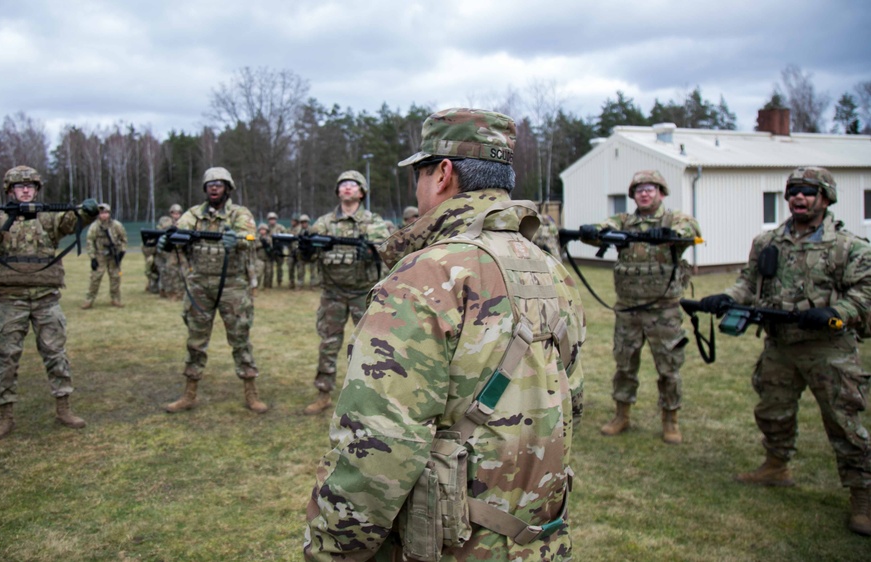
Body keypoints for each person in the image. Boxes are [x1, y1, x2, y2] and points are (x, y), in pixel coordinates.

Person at [304, 108, 586, 560]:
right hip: (537, 541)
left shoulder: (428, 274)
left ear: (442, 174)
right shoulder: (549, 268)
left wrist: (331, 549)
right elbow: (572, 402)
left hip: (453, 545)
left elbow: (378, 444)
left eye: (419, 172)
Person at [697, 166, 871, 537]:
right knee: (772, 409)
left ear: (825, 198)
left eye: (808, 191)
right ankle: (776, 466)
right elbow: (749, 283)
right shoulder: (768, 243)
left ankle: (863, 496)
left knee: (844, 422)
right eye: (793, 191)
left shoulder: (848, 247)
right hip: (780, 344)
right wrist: (728, 298)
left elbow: (865, 294)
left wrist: (836, 312)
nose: (799, 197)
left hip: (829, 350)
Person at [0, 165, 98, 441]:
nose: (26, 190)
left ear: (37, 189)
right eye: (19, 186)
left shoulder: (48, 218)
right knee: (7, 357)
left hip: (46, 299)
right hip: (11, 300)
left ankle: (63, 408)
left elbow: (71, 223)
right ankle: (5, 416)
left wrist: (87, 211)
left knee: (55, 353)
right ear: (9, 190)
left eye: (30, 186)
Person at [581, 169, 701, 444]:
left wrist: (669, 233)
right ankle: (621, 414)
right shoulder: (624, 221)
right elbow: (601, 229)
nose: (644, 193)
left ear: (661, 193)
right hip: (628, 309)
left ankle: (670, 418)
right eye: (639, 189)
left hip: (664, 310)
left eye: (650, 188)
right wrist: (593, 231)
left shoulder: (674, 219)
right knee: (624, 364)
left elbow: (691, 230)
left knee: (668, 367)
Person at [160, 167, 268, 414]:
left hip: (232, 285)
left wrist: (239, 240)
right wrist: (169, 240)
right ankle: (189, 393)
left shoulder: (239, 214)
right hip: (199, 286)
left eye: (219, 183)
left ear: (228, 188)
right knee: (195, 340)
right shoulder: (193, 215)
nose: (214, 187)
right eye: (210, 184)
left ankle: (251, 392)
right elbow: (180, 232)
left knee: (240, 338)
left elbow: (252, 237)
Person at [301, 170, 391, 415]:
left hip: (363, 294)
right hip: (332, 294)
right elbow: (308, 255)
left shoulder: (374, 222)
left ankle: (367, 395)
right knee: (329, 344)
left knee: (369, 345)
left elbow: (387, 251)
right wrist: (306, 248)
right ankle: (323, 393)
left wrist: (371, 253)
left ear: (361, 192)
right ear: (338, 192)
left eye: (353, 184)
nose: (348, 188)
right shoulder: (324, 223)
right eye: (343, 184)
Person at [81, 203, 127, 309]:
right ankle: (89, 300)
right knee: (95, 278)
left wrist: (121, 253)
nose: (104, 215)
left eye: (106, 213)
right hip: (100, 256)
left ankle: (115, 299)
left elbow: (123, 239)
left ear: (109, 213)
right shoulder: (94, 227)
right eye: (102, 213)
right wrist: (93, 258)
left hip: (114, 256)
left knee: (115, 277)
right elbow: (90, 242)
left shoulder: (116, 225)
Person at [156, 204, 184, 300]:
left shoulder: (185, 223)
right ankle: (168, 292)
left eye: (178, 213)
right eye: (174, 213)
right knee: (169, 272)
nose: (176, 215)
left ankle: (181, 292)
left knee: (183, 272)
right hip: (169, 252)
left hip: (181, 251)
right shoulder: (166, 223)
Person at [295, 213, 319, 289]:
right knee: (300, 271)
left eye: (305, 222)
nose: (304, 224)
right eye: (302, 222)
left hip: (312, 253)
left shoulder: (313, 230)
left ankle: (313, 285)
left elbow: (317, 243)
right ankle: (300, 284)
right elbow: (295, 242)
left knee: (313, 271)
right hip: (302, 253)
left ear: (308, 222)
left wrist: (315, 253)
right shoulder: (298, 231)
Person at [265, 212, 288, 288]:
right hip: (270, 250)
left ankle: (279, 282)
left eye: (273, 219)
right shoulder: (266, 228)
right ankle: (268, 283)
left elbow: (286, 236)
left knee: (279, 268)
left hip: (279, 249)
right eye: (270, 219)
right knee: (269, 268)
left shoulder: (280, 227)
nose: (272, 221)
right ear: (268, 220)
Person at [255, 223, 274, 290]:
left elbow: (271, 246)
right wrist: (262, 244)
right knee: (258, 273)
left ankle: (267, 286)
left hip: (268, 258)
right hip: (259, 258)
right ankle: (256, 286)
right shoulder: (256, 237)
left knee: (268, 273)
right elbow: (255, 246)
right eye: (261, 230)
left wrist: (268, 245)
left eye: (264, 230)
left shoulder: (269, 238)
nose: (262, 231)